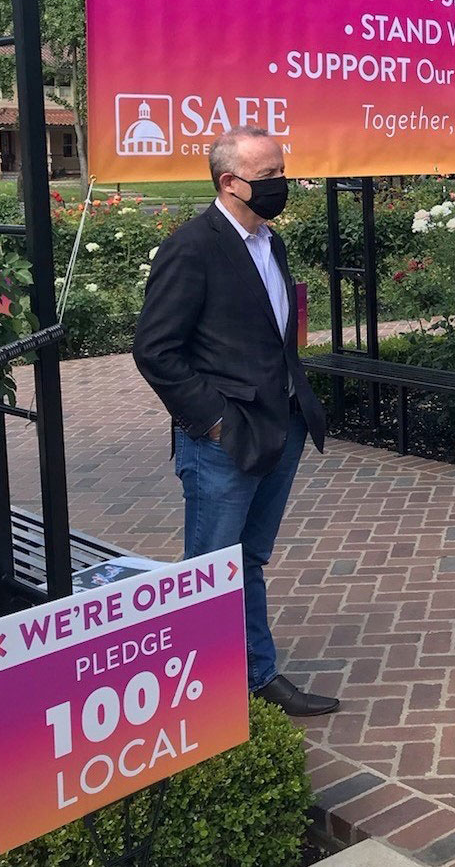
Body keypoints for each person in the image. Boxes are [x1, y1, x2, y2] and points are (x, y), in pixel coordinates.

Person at [133, 126, 337, 716]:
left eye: (281, 170)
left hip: (279, 427)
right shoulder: (192, 247)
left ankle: (256, 675)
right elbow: (155, 350)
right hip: (224, 439)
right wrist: (214, 422)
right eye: (270, 175)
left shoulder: (269, 241)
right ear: (230, 182)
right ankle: (203, 698)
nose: (282, 183)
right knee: (210, 570)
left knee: (246, 559)